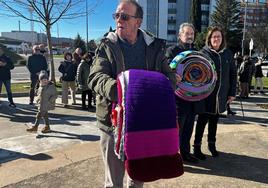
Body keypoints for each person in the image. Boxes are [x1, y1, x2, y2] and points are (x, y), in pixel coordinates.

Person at [88, 0, 176, 187]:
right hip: (112, 124)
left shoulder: (155, 47)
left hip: (143, 123)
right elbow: (95, 78)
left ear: (138, 22)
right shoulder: (106, 46)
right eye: (117, 15)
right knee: (113, 181)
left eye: (125, 16)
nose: (119, 19)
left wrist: (158, 90)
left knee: (139, 177)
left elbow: (170, 77)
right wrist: (125, 90)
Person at [193, 26, 237, 159]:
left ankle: (212, 145)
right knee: (202, 122)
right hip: (206, 95)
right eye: (214, 37)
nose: (216, 39)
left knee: (214, 122)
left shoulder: (227, 54)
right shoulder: (203, 53)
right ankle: (197, 148)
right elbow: (196, 73)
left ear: (222, 39)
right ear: (209, 39)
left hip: (221, 95)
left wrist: (232, 93)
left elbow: (233, 74)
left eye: (219, 36)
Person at [165, 23, 202, 163]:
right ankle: (172, 155)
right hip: (177, 97)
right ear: (180, 35)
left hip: (192, 97)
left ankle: (185, 153)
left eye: (192, 34)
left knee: (188, 127)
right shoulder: (172, 50)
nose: (190, 36)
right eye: (187, 34)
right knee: (176, 129)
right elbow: (166, 69)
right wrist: (173, 74)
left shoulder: (197, 52)